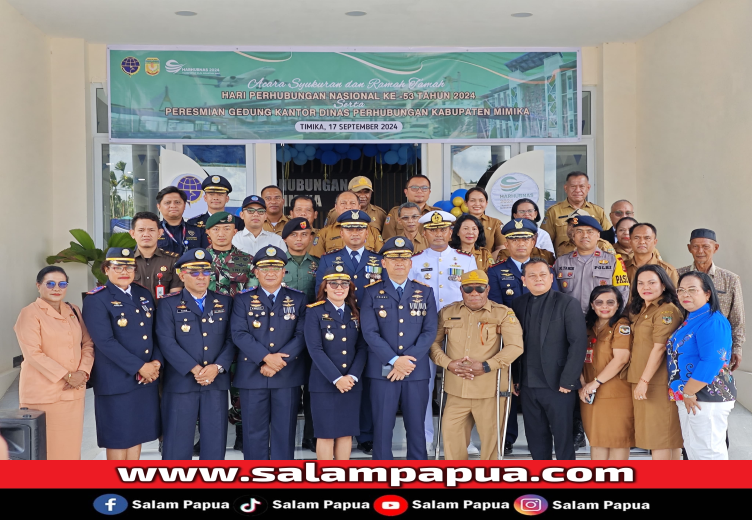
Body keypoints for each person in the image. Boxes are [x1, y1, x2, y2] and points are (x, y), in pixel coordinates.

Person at [430, 269, 523, 460]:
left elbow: (515, 346)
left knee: (491, 449)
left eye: (480, 288)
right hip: (456, 391)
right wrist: (448, 364)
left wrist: (486, 366)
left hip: (490, 391)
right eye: (468, 288)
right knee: (451, 445)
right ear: (461, 290)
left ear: (487, 289)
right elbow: (432, 343)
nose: (474, 293)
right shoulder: (448, 312)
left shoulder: (503, 313)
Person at [360, 236, 438, 459]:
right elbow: (369, 332)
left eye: (404, 258)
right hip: (382, 370)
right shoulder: (371, 292)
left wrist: (407, 360)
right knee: (382, 427)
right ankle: (384, 473)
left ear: (411, 262)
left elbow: (429, 331)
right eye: (393, 258)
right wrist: (395, 360)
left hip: (416, 371)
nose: (399, 262)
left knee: (416, 427)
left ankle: (418, 474)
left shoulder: (425, 292)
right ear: (383, 263)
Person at [487, 218, 559, 455]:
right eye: (515, 239)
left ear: (534, 241)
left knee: (541, 387)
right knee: (509, 386)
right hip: (509, 340)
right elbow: (496, 307)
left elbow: (554, 302)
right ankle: (507, 437)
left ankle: (544, 436)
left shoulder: (545, 269)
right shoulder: (496, 272)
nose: (520, 244)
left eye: (525, 238)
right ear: (506, 243)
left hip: (542, 339)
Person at [409, 210, 478, 455]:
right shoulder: (414, 261)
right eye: (432, 229)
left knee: (460, 385)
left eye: (443, 229)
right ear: (424, 232)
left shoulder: (466, 260)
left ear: (451, 232)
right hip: (422, 331)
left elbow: (474, 295)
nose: (438, 234)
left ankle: (462, 438)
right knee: (423, 386)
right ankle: (426, 437)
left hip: (457, 329)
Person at [82, 247, 161, 460]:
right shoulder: (96, 299)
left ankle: (130, 478)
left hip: (145, 379)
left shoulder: (143, 294)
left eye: (129, 266)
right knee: (117, 435)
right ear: (106, 270)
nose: (124, 271)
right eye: (117, 267)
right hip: (116, 379)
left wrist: (156, 362)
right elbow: (105, 342)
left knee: (136, 433)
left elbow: (155, 333)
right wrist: (140, 367)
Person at [156, 249, 235, 460]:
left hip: (215, 381)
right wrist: (195, 369)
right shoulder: (168, 303)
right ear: (182, 275)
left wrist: (216, 368)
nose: (201, 277)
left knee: (215, 442)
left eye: (206, 272)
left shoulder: (225, 302)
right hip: (182, 381)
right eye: (194, 272)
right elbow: (166, 341)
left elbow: (232, 339)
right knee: (177, 443)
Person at [314, 209, 382, 453]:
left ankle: (365, 435)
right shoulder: (328, 260)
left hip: (374, 331)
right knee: (337, 379)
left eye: (360, 228)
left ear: (368, 232)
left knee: (366, 384)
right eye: (350, 229)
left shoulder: (378, 259)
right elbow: (320, 295)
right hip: (338, 327)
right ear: (341, 232)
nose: (355, 233)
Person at [230, 246, 307, 460]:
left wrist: (278, 362)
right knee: (254, 432)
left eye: (276, 268)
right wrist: (266, 358)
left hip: (286, 374)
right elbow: (239, 334)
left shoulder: (298, 299)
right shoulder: (242, 300)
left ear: (284, 272)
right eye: (265, 268)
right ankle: (256, 478)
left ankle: (283, 478)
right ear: (255, 272)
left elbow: (302, 335)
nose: (270, 273)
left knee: (285, 432)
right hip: (253, 375)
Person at [13, 266, 94, 459]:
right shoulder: (29, 313)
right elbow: (33, 353)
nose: (56, 288)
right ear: (39, 285)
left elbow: (88, 343)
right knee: (45, 452)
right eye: (50, 283)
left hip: (73, 393)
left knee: (70, 449)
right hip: (43, 395)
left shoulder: (73, 310)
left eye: (62, 284)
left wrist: (83, 372)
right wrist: (66, 375)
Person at [510, 258, 587, 460]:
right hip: (527, 384)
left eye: (543, 275)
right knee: (535, 438)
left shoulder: (567, 303)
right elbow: (513, 344)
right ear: (523, 280)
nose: (538, 279)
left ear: (551, 278)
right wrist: (515, 378)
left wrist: (569, 380)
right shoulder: (517, 304)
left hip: (558, 383)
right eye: (532, 275)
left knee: (563, 439)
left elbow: (578, 343)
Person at [668, 271, 737, 459]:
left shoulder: (713, 320)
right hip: (691, 396)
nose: (685, 294)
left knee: (709, 453)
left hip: (705, 396)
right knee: (694, 451)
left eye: (692, 290)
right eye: (681, 290)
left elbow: (713, 360)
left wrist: (689, 391)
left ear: (707, 293)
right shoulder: (691, 319)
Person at [305, 267, 367, 460]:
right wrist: (337, 378)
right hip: (324, 383)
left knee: (346, 432)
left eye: (344, 284)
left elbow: (362, 348)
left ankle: (342, 478)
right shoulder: (314, 312)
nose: (339, 288)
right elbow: (315, 349)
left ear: (350, 287)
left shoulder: (355, 312)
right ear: (325, 288)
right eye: (333, 284)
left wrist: (352, 376)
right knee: (325, 434)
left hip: (351, 384)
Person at [627, 264, 684, 459]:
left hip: (655, 381)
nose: (646, 287)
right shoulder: (642, 308)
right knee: (666, 437)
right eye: (641, 283)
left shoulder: (666, 310)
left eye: (652, 282)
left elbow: (659, 348)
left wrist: (644, 381)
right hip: (643, 377)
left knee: (660, 437)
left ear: (663, 284)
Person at [677, 228, 745, 372]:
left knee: (714, 385)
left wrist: (737, 348)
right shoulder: (678, 275)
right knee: (684, 383)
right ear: (689, 248)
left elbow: (737, 317)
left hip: (717, 343)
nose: (700, 251)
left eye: (706, 246)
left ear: (715, 248)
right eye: (695, 246)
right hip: (686, 345)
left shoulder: (730, 279)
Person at [579, 286, 634, 460]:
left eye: (610, 302)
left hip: (615, 394)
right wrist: (582, 386)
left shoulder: (622, 325)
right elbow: (576, 358)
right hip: (589, 394)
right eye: (599, 302)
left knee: (618, 440)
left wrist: (593, 384)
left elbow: (621, 358)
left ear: (618, 305)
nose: (605, 306)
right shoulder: (587, 326)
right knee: (596, 440)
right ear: (592, 305)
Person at [282, 217, 319, 452]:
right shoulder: (275, 263)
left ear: (311, 238)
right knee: (289, 387)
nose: (299, 239)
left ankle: (311, 436)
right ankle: (285, 438)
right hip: (284, 333)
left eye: (304, 235)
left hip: (314, 331)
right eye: (294, 235)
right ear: (285, 239)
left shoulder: (318, 264)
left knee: (314, 387)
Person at [554, 215, 630, 314]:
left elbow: (622, 293)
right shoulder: (561, 262)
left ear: (598, 235)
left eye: (590, 232)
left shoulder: (614, 261)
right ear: (573, 236)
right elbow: (554, 294)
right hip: (569, 320)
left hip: (601, 320)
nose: (585, 235)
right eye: (579, 231)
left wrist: (611, 318)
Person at [540, 172, 611, 257]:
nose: (577, 190)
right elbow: (544, 243)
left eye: (582, 186)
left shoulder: (598, 211)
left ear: (588, 188)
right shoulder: (554, 212)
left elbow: (609, 238)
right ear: (566, 188)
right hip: (564, 263)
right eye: (573, 186)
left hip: (595, 262)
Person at [311, 191, 383, 257]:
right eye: (343, 203)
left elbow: (381, 259)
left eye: (352, 203)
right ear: (336, 207)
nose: (348, 207)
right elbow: (316, 262)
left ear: (359, 207)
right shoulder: (324, 233)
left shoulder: (373, 232)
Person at [130, 212, 182, 300]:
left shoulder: (173, 260)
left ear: (160, 233)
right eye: (141, 230)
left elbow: (175, 296)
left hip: (164, 312)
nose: (146, 234)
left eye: (151, 230)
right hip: (133, 312)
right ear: (132, 234)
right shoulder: (125, 261)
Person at [204, 212, 255, 296]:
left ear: (235, 232)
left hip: (238, 308)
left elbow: (253, 292)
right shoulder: (199, 260)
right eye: (216, 229)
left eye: (227, 229)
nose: (221, 234)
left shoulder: (249, 260)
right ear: (208, 232)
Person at [382, 175, 439, 240]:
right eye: (414, 188)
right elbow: (388, 240)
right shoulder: (395, 212)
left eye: (424, 188)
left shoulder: (436, 213)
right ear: (406, 192)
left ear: (429, 192)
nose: (419, 191)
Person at [155, 186, 208, 255]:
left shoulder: (199, 230)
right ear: (159, 207)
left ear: (184, 205)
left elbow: (207, 255)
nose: (173, 206)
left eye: (177, 202)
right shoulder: (152, 230)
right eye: (167, 203)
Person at [623, 223, 679, 289]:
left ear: (655, 242)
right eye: (637, 238)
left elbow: (675, 296)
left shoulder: (668, 270)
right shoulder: (622, 267)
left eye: (647, 238)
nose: (642, 242)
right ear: (630, 242)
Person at [552, 209, 616, 258]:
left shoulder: (602, 245)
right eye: (570, 224)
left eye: (577, 226)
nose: (572, 228)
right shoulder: (563, 247)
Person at [465, 187, 505, 253]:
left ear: (486, 203)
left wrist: (486, 261)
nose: (477, 204)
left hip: (489, 262)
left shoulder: (495, 223)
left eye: (481, 201)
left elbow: (501, 249)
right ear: (466, 203)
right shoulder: (457, 223)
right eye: (472, 200)